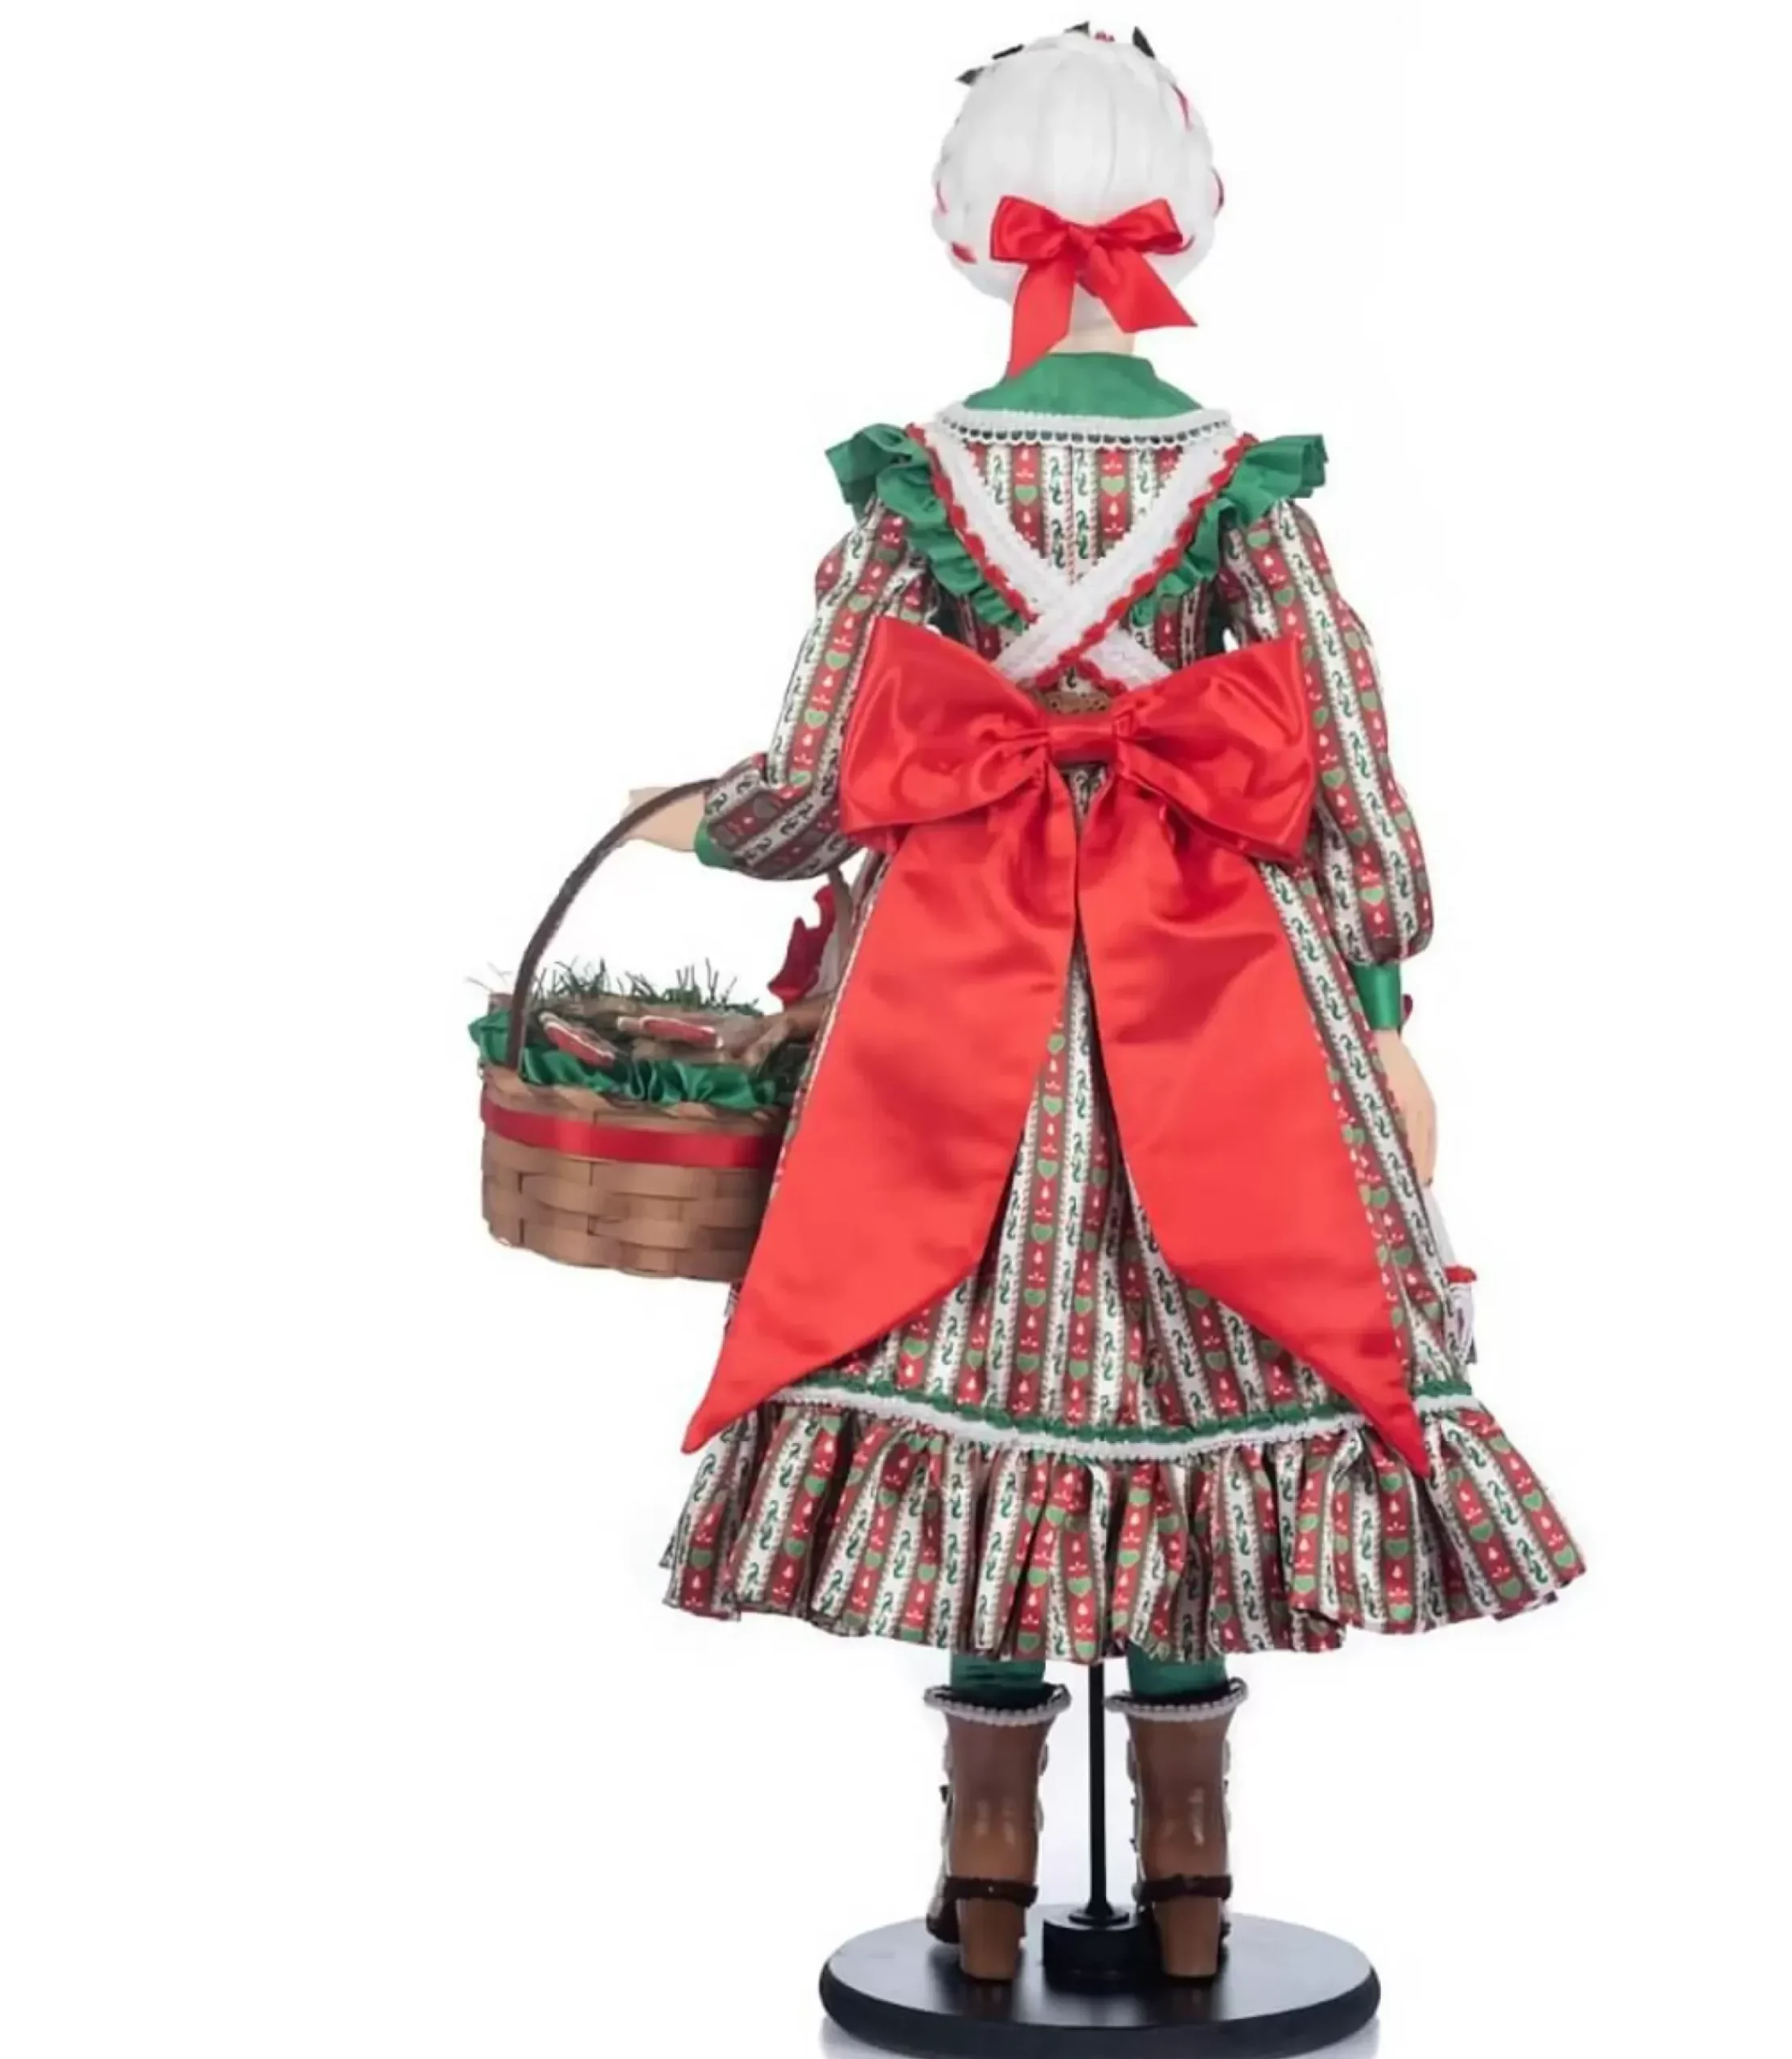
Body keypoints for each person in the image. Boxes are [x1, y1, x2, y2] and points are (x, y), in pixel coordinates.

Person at [631, 26, 1582, 1984]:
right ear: (1182, 216)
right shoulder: (1240, 489)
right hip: (1218, 990)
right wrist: (1374, 980)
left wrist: (692, 824)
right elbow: (1343, 767)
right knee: (1201, 1353)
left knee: (973, 1344)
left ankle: (983, 1872)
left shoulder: (922, 488)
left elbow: (819, 770)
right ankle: (1189, 1866)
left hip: (951, 998)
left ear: (969, 227)